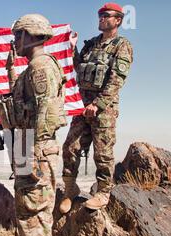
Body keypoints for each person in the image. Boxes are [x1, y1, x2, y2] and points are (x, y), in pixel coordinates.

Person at [0, 13, 67, 236]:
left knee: (35, 215)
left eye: (18, 36)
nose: (15, 41)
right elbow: (23, 102)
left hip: (35, 149)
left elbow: (44, 114)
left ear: (30, 35)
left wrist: (33, 156)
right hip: (27, 147)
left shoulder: (40, 67)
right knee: (27, 212)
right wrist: (11, 71)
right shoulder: (30, 68)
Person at [59, 2, 134, 213]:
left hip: (103, 110)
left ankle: (103, 193)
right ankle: (69, 190)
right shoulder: (90, 44)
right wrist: (71, 47)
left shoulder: (122, 45)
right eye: (100, 14)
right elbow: (77, 67)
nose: (101, 18)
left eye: (107, 15)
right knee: (70, 148)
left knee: (102, 153)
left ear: (118, 20)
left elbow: (117, 79)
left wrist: (98, 104)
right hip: (82, 107)